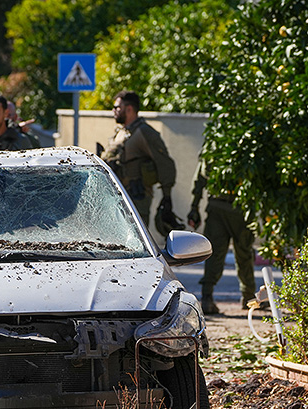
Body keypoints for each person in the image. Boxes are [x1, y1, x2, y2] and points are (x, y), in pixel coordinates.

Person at [101, 91, 178, 227]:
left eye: (117, 107)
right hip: (116, 196)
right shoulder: (121, 132)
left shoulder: (144, 132)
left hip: (136, 198)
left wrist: (167, 198)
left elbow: (165, 164)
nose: (114, 111)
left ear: (129, 109)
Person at [187, 160, 256, 314]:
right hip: (241, 208)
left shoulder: (213, 145)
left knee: (215, 253)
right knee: (244, 252)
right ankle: (249, 297)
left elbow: (200, 179)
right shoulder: (248, 144)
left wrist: (195, 206)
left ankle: (207, 297)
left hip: (218, 207)